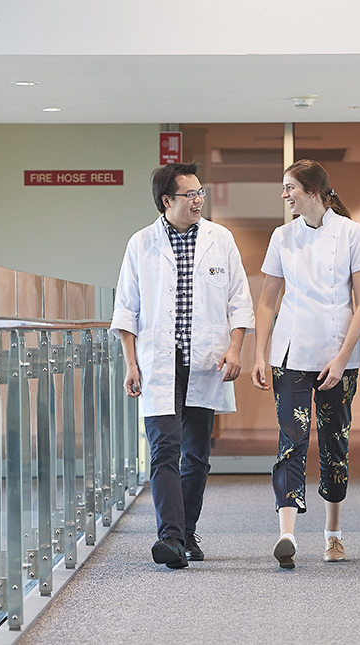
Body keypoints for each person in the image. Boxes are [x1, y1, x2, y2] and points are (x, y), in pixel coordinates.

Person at [111, 162, 254, 569]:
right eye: (189, 194)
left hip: (205, 362)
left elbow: (238, 302)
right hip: (159, 364)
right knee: (163, 450)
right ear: (166, 201)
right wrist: (131, 364)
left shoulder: (220, 239)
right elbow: (127, 309)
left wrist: (235, 349)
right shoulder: (141, 243)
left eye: (199, 192)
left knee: (196, 455)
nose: (197, 200)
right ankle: (170, 538)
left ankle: (187, 532)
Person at [251, 160, 360, 569]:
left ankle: (333, 536)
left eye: (290, 188)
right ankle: (286, 534)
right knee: (292, 441)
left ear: (314, 191)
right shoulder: (282, 236)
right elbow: (268, 300)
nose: (285, 195)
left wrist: (341, 359)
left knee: (335, 444)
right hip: (290, 354)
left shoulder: (351, 232)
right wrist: (260, 354)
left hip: (339, 356)